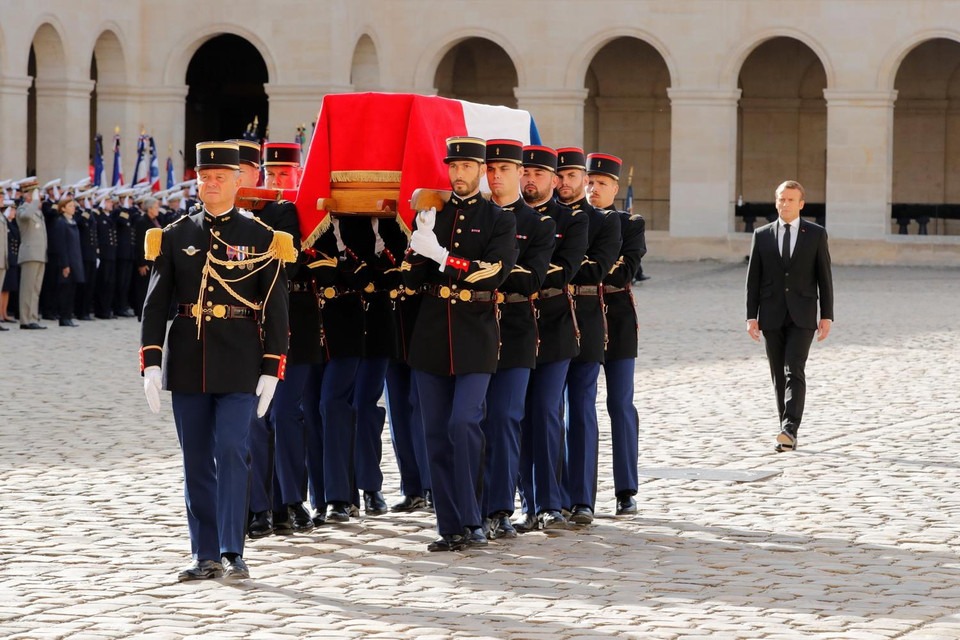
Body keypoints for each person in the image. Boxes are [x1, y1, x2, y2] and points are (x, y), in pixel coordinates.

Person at [139, 141, 293, 581]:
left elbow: (275, 307)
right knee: (196, 460)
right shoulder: (175, 235)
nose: (210, 184)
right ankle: (203, 553)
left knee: (231, 448)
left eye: (219, 177)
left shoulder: (262, 238)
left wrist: (271, 367)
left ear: (238, 181)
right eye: (204, 177)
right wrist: (151, 361)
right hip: (189, 360)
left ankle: (232, 548)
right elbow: (156, 304)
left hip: (241, 360)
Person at [402, 136, 518, 552]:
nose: (458, 174)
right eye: (453, 167)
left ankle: (475, 518)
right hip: (432, 334)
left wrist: (441, 256)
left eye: (467, 167)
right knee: (435, 432)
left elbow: (493, 272)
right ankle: (450, 526)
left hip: (475, 334)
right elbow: (410, 281)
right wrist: (416, 246)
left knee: (464, 423)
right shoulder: (434, 213)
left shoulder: (498, 219)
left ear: (481, 170)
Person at [479, 139, 554, 540]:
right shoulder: (476, 216)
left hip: (517, 329)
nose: (496, 176)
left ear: (520, 173)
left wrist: (485, 272)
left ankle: (501, 507)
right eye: (490, 169)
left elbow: (532, 279)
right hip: (474, 329)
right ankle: (474, 503)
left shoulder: (538, 224)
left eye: (504, 169)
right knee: (475, 421)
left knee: (506, 419)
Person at [515, 146, 589, 533]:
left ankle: (550, 502)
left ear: (554, 180)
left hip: (555, 325)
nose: (531, 180)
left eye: (539, 174)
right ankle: (527, 503)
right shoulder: (507, 216)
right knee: (518, 414)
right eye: (525, 173)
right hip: (512, 325)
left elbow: (564, 271)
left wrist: (517, 271)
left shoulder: (572, 221)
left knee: (545, 411)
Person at [555, 147, 621, 526]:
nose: (566, 183)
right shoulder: (544, 217)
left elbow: (595, 270)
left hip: (586, 318)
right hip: (547, 319)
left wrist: (558, 263)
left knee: (581, 409)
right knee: (547, 411)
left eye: (573, 177)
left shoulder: (605, 222)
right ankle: (550, 495)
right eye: (560, 177)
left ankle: (581, 498)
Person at [746, 180, 834, 452]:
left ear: (801, 204)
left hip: (803, 314)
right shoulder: (761, 235)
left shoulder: (815, 234)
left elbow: (824, 277)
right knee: (777, 375)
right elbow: (753, 279)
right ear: (776, 202)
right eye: (781, 199)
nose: (785, 204)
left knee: (793, 369)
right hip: (771, 314)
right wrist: (751, 316)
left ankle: (790, 428)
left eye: (790, 200)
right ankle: (785, 430)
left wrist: (827, 315)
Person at [587, 153, 646, 515]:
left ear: (616, 187)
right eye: (590, 182)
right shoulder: (575, 218)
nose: (594, 189)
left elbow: (625, 273)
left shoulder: (630, 224)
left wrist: (589, 266)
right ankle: (580, 490)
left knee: (620, 404)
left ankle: (626, 489)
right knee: (578, 407)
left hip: (619, 321)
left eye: (603, 183)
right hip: (581, 318)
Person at [16, 177, 47, 330]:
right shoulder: (23, 208)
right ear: (28, 195)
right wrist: (33, 202)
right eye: (35, 193)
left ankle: (33, 317)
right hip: (29, 254)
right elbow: (25, 216)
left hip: (40, 254)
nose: (38, 196)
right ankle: (25, 319)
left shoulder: (38, 211)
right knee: (27, 288)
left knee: (35, 289)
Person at [51, 196, 84, 327]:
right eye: (70, 206)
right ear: (63, 208)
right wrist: (65, 264)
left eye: (73, 205)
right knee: (65, 290)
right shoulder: (60, 222)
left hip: (75, 260)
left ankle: (68, 316)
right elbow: (61, 245)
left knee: (72, 290)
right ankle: (63, 317)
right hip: (66, 261)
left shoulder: (72, 221)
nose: (73, 208)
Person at [132, 197, 161, 320]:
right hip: (146, 260)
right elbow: (139, 244)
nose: (158, 209)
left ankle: (150, 312)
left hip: (154, 258)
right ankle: (141, 313)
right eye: (156, 207)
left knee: (151, 288)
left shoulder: (155, 220)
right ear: (149, 209)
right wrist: (141, 263)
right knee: (143, 288)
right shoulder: (142, 222)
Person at [1, 199, 20, 325]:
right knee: (2, 288)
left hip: (12, 259)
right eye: (12, 209)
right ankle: (0, 314)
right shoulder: (4, 224)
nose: (14, 212)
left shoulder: (12, 224)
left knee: (7, 288)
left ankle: (4, 312)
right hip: (5, 258)